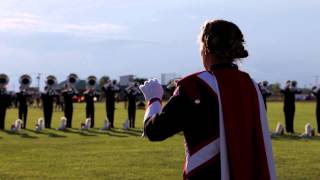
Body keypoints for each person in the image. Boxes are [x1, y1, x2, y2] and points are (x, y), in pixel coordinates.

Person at [139, 20, 276, 180]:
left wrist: (153, 99)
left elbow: (155, 131)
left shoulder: (194, 86)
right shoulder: (252, 86)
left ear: (205, 47)